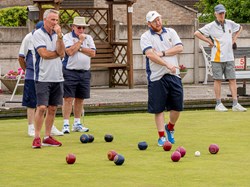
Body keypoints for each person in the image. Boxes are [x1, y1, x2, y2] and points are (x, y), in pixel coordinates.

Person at [140, 11, 184, 146]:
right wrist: (166, 63)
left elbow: (179, 47)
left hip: (174, 74)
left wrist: (163, 53)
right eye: (154, 21)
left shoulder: (171, 32)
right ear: (149, 24)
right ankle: (161, 136)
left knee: (177, 107)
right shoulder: (145, 37)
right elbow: (150, 55)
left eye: (159, 19)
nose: (158, 22)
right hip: (156, 76)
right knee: (158, 109)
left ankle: (170, 127)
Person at [194, 4, 247, 112]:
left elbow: (240, 27)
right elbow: (197, 33)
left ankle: (235, 104)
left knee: (232, 80)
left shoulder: (230, 23)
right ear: (215, 14)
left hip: (229, 57)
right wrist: (209, 41)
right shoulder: (211, 26)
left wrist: (234, 39)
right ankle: (218, 104)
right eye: (220, 13)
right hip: (217, 58)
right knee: (217, 80)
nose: (222, 15)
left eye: (223, 13)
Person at [18, 21, 63, 137]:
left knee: (50, 104)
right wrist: (27, 70)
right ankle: (31, 127)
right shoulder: (29, 37)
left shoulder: (54, 35)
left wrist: (57, 53)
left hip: (50, 75)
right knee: (33, 103)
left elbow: (61, 53)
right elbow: (21, 56)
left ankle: (50, 128)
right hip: (33, 75)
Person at [32, 9, 65, 148]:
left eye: (57, 20)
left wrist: (59, 36)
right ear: (45, 20)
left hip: (57, 77)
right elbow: (44, 54)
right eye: (52, 20)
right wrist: (57, 53)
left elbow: (62, 52)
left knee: (52, 108)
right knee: (41, 107)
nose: (55, 23)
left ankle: (47, 136)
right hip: (43, 77)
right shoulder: (38, 34)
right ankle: (37, 137)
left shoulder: (59, 35)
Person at [61, 17, 96, 134]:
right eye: (79, 27)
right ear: (73, 27)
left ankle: (77, 123)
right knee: (68, 98)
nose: (81, 30)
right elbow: (69, 52)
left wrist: (79, 48)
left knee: (80, 99)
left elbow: (92, 53)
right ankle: (66, 124)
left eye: (83, 28)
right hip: (70, 71)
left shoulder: (89, 38)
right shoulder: (67, 37)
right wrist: (80, 42)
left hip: (85, 72)